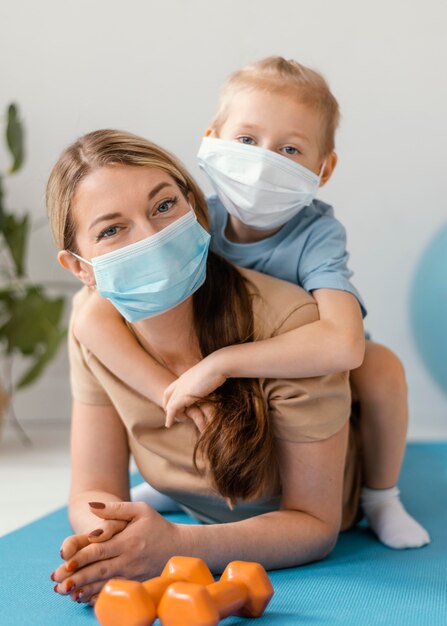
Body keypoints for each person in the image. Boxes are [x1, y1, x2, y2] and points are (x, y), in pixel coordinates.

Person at [72, 57, 429, 550]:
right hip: (218, 341)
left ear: (324, 169)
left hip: (303, 359)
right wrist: (168, 391)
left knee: (382, 369)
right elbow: (90, 317)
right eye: (246, 141)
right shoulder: (189, 220)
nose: (264, 161)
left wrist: (223, 364)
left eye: (289, 149)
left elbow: (343, 344)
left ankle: (381, 496)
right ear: (212, 138)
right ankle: (177, 485)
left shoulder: (317, 234)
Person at [49, 129, 361, 606]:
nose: (151, 237)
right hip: (199, 513)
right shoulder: (94, 332)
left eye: (163, 206)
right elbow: (92, 487)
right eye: (112, 230)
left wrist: (176, 547)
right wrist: (108, 543)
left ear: (195, 205)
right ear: (80, 268)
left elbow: (316, 524)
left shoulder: (290, 325)